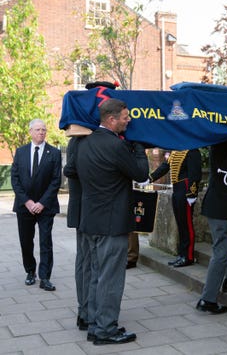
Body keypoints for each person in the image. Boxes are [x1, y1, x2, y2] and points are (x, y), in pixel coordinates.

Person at [75, 98, 148, 345]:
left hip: (91, 221)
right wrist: (138, 146)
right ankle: (106, 330)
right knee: (111, 279)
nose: (129, 120)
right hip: (112, 224)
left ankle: (96, 325)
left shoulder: (85, 144)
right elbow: (141, 173)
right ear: (111, 119)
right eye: (125, 116)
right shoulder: (115, 146)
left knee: (96, 276)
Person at [10, 119, 62, 292]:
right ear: (30, 131)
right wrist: (28, 201)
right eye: (38, 129)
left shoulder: (54, 153)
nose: (42, 132)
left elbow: (56, 181)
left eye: (44, 130)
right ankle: (30, 271)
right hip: (24, 206)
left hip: (45, 207)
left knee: (45, 241)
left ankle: (45, 277)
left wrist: (41, 203)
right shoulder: (21, 152)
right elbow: (15, 180)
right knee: (26, 241)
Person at [196, 137, 227, 314]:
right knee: (221, 253)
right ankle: (208, 299)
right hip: (221, 209)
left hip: (219, 207)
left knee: (224, 251)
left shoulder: (222, 143)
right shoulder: (226, 145)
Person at [149, 149, 202, 267]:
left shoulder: (193, 151)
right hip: (177, 190)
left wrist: (192, 193)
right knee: (181, 224)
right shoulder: (176, 151)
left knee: (187, 225)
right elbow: (165, 167)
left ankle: (188, 256)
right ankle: (182, 254)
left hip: (186, 190)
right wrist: (150, 178)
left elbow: (195, 174)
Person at [63, 130, 91, 330]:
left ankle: (84, 310)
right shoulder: (81, 141)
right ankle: (85, 311)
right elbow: (70, 170)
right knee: (86, 261)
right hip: (86, 210)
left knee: (84, 260)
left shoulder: (76, 141)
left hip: (83, 209)